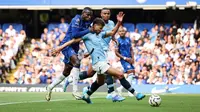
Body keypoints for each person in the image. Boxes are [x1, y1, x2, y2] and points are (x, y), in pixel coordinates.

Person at [53, 12, 145, 104]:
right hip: (99, 63)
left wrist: (119, 22)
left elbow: (112, 32)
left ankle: (86, 95)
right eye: (100, 28)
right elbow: (72, 41)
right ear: (95, 25)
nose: (101, 30)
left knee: (100, 82)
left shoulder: (100, 34)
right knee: (120, 74)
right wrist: (59, 48)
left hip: (100, 61)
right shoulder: (86, 35)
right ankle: (135, 94)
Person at [63, 8, 124, 100]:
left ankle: (74, 82)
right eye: (104, 13)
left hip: (104, 51)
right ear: (101, 14)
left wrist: (114, 35)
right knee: (109, 70)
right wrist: (88, 51)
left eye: (108, 13)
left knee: (92, 74)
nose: (106, 15)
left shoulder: (109, 25)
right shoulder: (93, 26)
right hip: (97, 53)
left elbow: (111, 32)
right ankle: (112, 93)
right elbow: (81, 38)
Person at [45, 7, 93, 101]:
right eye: (87, 14)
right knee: (77, 63)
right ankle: (75, 91)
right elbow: (75, 35)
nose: (89, 17)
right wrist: (89, 30)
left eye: (90, 15)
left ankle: (50, 87)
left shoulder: (88, 22)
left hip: (75, 46)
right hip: (67, 45)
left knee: (66, 72)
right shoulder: (77, 19)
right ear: (83, 13)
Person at [115, 27, 135, 97]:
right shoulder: (117, 41)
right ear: (118, 33)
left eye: (123, 31)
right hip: (124, 59)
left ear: (125, 32)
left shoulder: (128, 39)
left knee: (132, 75)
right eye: (120, 31)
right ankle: (130, 91)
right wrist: (125, 58)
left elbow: (131, 49)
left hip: (130, 59)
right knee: (131, 72)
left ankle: (120, 88)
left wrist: (133, 58)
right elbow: (116, 52)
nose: (122, 32)